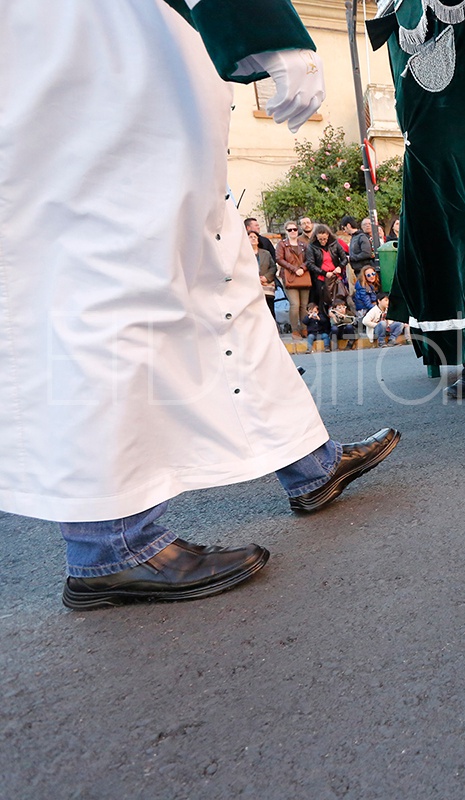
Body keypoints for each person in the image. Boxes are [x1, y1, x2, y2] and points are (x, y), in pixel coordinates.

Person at [0, 0, 401, 609]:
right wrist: (267, 28)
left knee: (221, 277)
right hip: (101, 41)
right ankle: (109, 545)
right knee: (116, 276)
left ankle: (308, 463)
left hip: (127, 44)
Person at [277, 220, 311, 339]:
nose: (292, 232)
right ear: (286, 231)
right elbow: (279, 259)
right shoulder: (282, 244)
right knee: (295, 304)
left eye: (295, 229)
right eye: (289, 230)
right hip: (290, 277)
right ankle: (295, 329)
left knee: (304, 305)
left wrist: (302, 267)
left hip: (303, 276)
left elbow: (309, 258)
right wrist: (294, 269)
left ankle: (304, 328)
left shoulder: (303, 244)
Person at [305, 223, 349, 310]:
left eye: (324, 239)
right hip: (321, 278)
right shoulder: (312, 246)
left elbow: (344, 258)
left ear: (328, 235)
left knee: (340, 299)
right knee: (323, 300)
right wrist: (324, 273)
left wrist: (340, 266)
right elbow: (310, 264)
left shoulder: (335, 243)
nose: (322, 241)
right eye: (320, 239)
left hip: (335, 276)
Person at [249, 230, 278, 317]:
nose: (253, 239)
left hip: (266, 285)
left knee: (269, 309)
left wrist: (266, 277)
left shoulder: (266, 253)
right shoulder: (243, 254)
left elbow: (273, 267)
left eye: (255, 237)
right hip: (251, 285)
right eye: (250, 237)